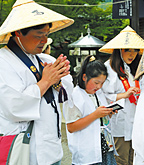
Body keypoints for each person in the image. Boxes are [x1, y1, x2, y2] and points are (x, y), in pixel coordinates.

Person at [0, 0, 74, 164]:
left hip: (52, 147)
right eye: (38, 36)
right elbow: (14, 107)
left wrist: (59, 78)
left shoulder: (45, 59)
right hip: (26, 150)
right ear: (18, 33)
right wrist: (46, 81)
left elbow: (67, 93)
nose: (44, 40)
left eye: (47, 35)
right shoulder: (3, 61)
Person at [99, 26, 144, 165]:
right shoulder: (108, 68)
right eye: (127, 49)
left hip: (137, 119)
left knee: (136, 158)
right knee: (120, 159)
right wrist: (124, 95)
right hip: (119, 121)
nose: (131, 54)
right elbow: (103, 94)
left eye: (135, 50)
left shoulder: (140, 68)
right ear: (119, 50)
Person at [63, 55, 117, 165]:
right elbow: (71, 127)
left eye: (102, 83)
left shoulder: (98, 93)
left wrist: (107, 113)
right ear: (84, 77)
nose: (99, 86)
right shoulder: (74, 95)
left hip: (105, 146)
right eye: (96, 82)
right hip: (87, 152)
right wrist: (96, 115)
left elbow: (100, 119)